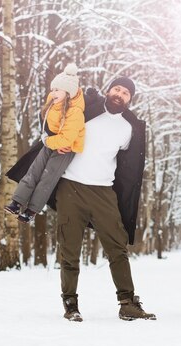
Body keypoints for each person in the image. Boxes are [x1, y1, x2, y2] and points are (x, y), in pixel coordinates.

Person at [54, 76, 156, 322]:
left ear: (130, 100)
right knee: (69, 250)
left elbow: (127, 168)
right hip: (71, 187)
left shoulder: (128, 129)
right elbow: (54, 121)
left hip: (103, 192)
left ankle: (127, 303)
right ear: (108, 91)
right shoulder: (84, 111)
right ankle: (70, 304)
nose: (120, 94)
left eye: (126, 93)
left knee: (118, 248)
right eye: (117, 89)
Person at [4, 63, 85, 223]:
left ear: (68, 92)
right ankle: (17, 202)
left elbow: (67, 138)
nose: (52, 93)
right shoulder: (53, 104)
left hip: (65, 148)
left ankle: (31, 210)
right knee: (33, 172)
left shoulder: (75, 112)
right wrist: (46, 138)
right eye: (52, 89)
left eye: (57, 90)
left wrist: (47, 140)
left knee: (47, 178)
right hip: (52, 142)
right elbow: (46, 124)